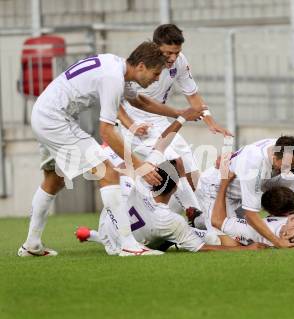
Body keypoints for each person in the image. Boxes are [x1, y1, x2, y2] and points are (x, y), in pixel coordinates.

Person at [18, 41, 180, 257]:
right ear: (141, 66)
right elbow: (106, 131)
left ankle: (32, 245)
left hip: (43, 113)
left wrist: (180, 112)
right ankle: (128, 245)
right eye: (156, 73)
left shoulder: (115, 67)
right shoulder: (113, 78)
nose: (157, 78)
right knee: (109, 172)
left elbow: (138, 101)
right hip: (55, 120)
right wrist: (140, 167)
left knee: (53, 179)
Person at [116, 24, 232, 215]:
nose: (172, 58)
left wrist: (210, 121)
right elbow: (121, 102)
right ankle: (186, 214)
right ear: (155, 47)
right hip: (138, 126)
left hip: (163, 120)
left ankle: (203, 218)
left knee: (192, 172)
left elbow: (193, 94)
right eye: (168, 52)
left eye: (176, 53)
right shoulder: (137, 65)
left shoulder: (179, 62)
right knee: (173, 163)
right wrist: (130, 124)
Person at [76, 160, 266, 254]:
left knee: (122, 182)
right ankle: (196, 222)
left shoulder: (142, 185)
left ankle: (92, 235)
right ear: (175, 186)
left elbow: (123, 165)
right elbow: (202, 247)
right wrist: (246, 249)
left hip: (107, 226)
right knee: (220, 240)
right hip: (128, 246)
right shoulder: (169, 220)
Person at [197, 135, 294, 248]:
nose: (291, 169)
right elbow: (251, 215)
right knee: (229, 243)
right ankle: (192, 229)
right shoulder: (254, 167)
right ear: (274, 157)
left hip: (242, 190)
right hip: (216, 188)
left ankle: (200, 219)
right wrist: (278, 242)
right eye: (287, 166)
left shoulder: (285, 151)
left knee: (237, 230)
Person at [210, 174, 294, 248]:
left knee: (225, 241)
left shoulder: (255, 232)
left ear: (284, 234)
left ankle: (197, 220)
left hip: (214, 190)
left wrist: (224, 182)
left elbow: (217, 220)